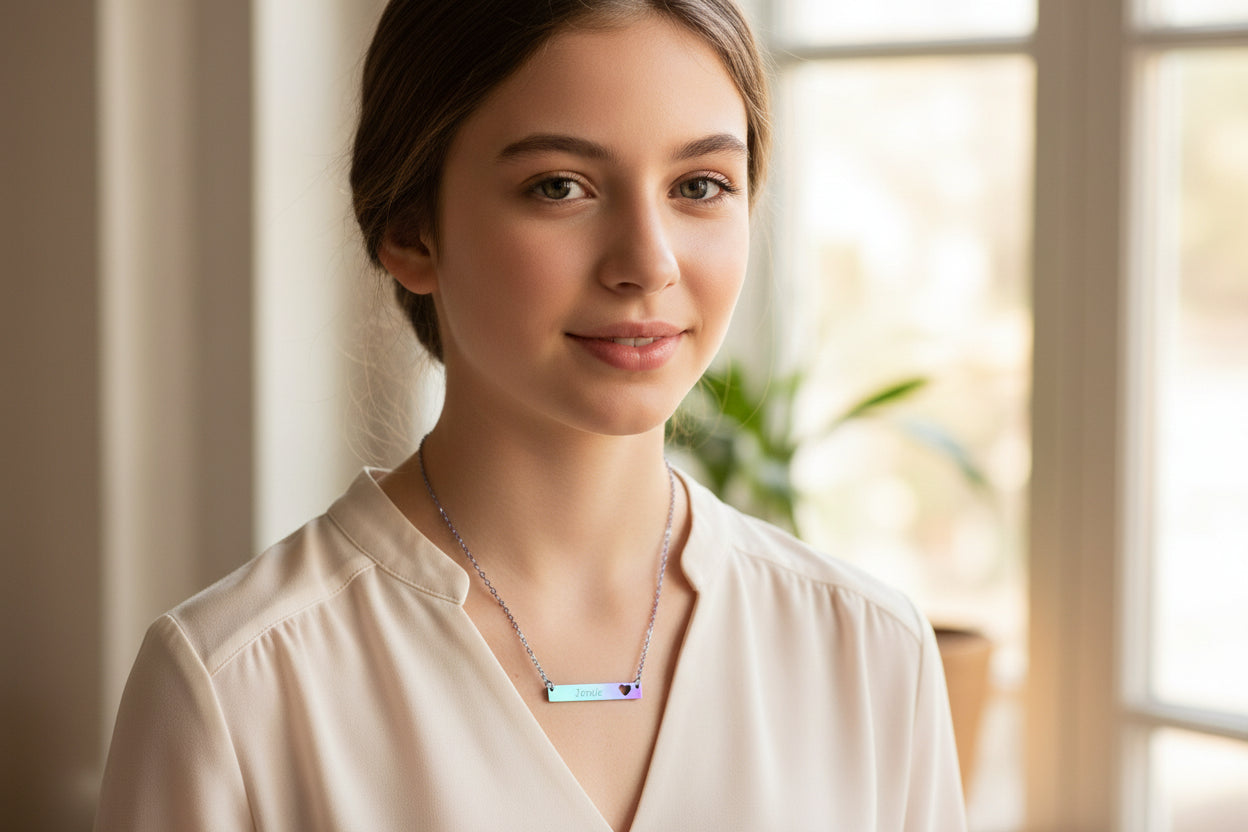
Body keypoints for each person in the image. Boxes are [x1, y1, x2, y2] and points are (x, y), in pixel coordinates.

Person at [94, 1, 967, 829]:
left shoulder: (870, 656)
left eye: (699, 185)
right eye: (560, 187)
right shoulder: (236, 689)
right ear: (410, 229)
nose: (648, 263)